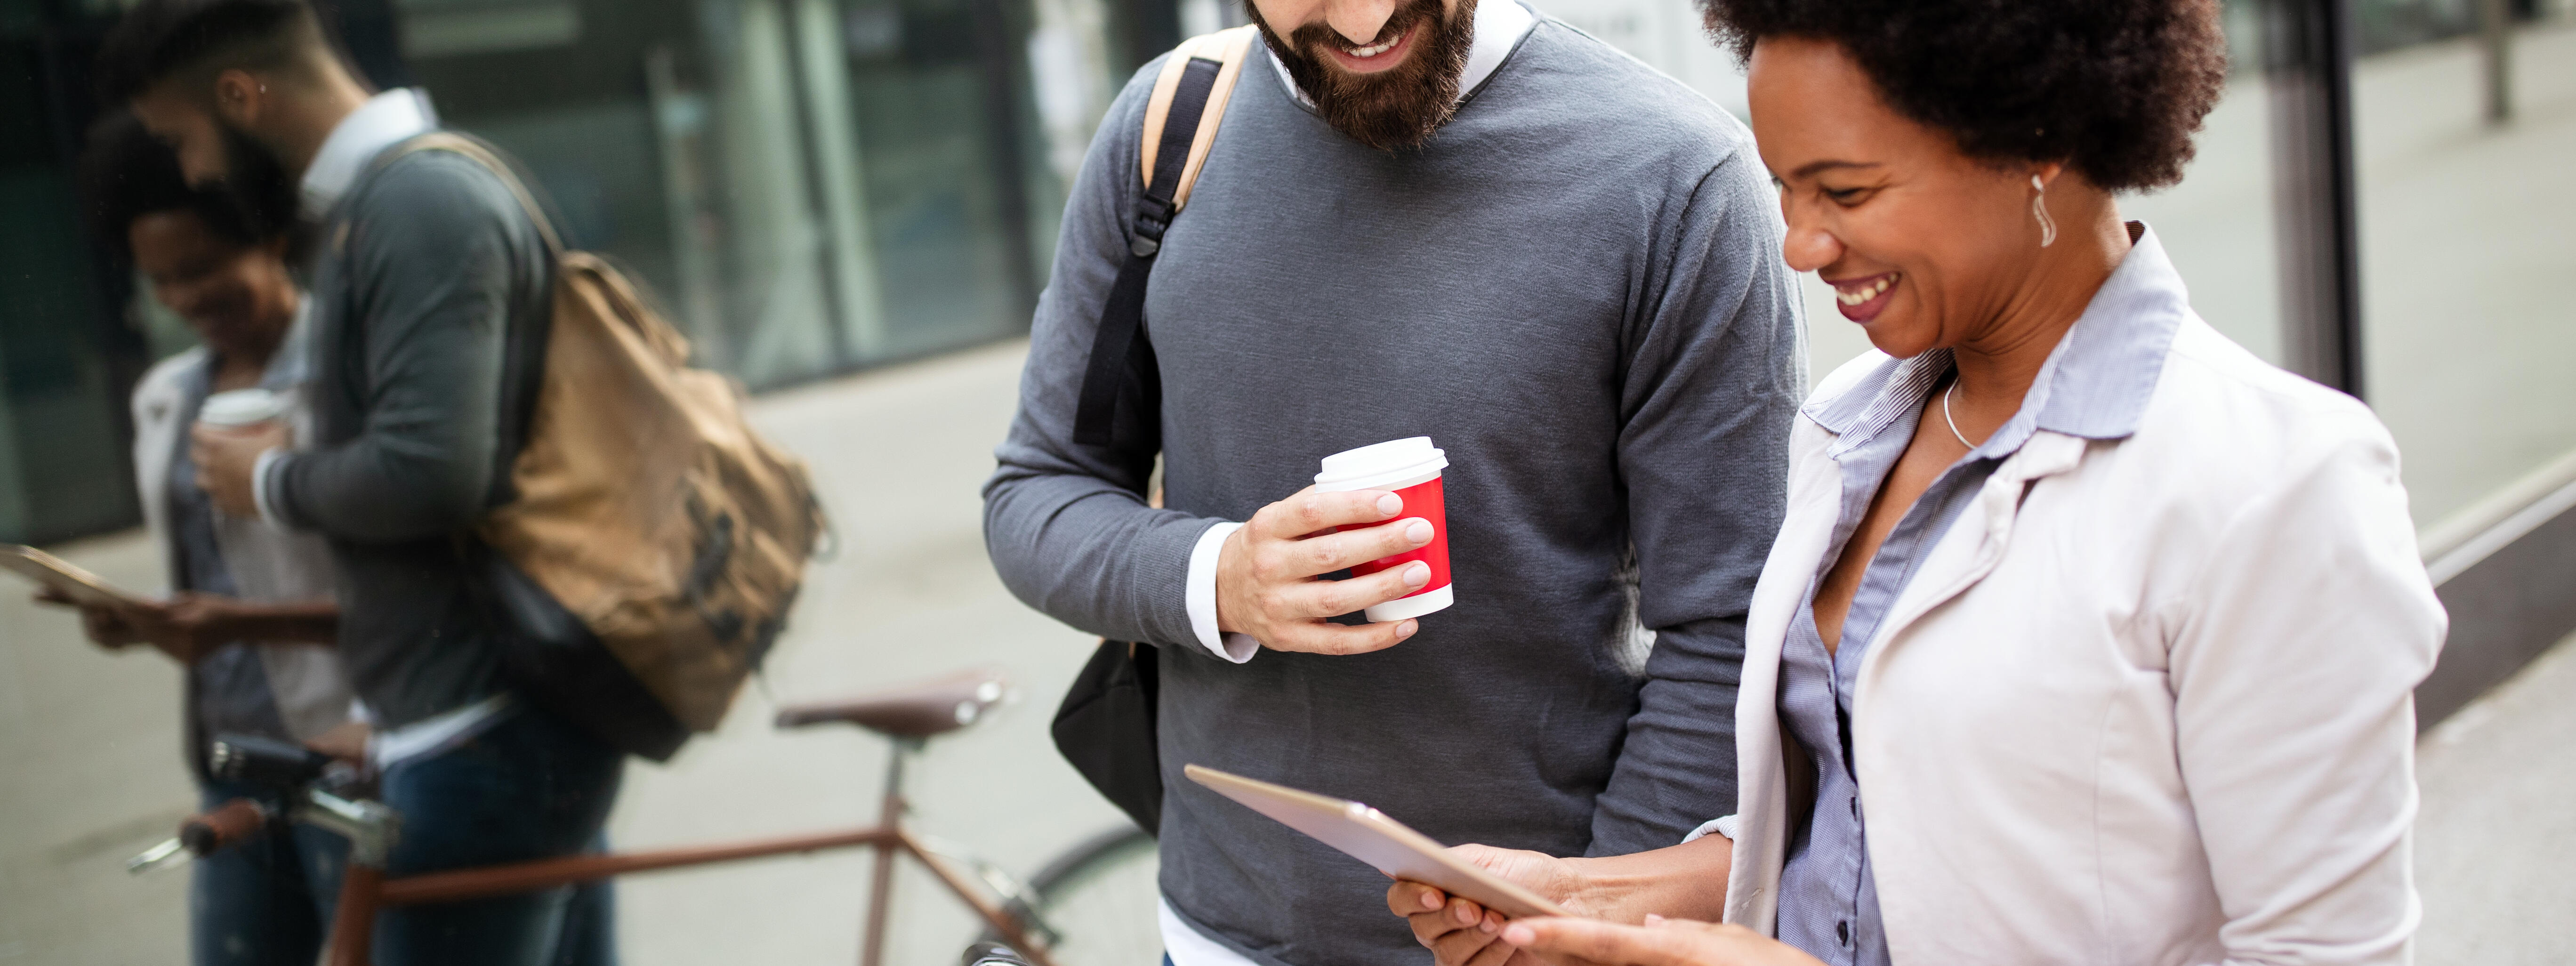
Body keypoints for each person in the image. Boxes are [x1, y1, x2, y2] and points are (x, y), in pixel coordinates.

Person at [1389, 0, 2446, 963]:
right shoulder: (1856, 426)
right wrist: (1602, 896)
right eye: (1787, 189)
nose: (1801, 245)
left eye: (1846, 190)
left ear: (2039, 144)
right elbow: (1865, 816)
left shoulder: (2274, 483)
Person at [980, 0, 1805, 958]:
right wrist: (1220, 578)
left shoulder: (1674, 174)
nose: (1365, 16)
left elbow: (1733, 625)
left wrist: (1584, 919)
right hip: (1214, 934)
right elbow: (1038, 494)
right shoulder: (1166, 133)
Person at [97, 3, 620, 964]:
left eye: (184, 138)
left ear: (241, 95)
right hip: (457, 729)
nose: (198, 171)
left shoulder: (414, 202)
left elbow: (433, 475)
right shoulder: (381, 205)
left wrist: (268, 479)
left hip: (478, 737)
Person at [44, 110, 355, 966]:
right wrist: (144, 621)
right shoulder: (166, 397)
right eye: (162, 281)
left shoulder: (349, 375)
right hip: (231, 764)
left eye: (205, 268)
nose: (186, 300)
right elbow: (212, 580)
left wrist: (228, 622)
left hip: (348, 757)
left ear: (272, 238)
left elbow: (409, 603)